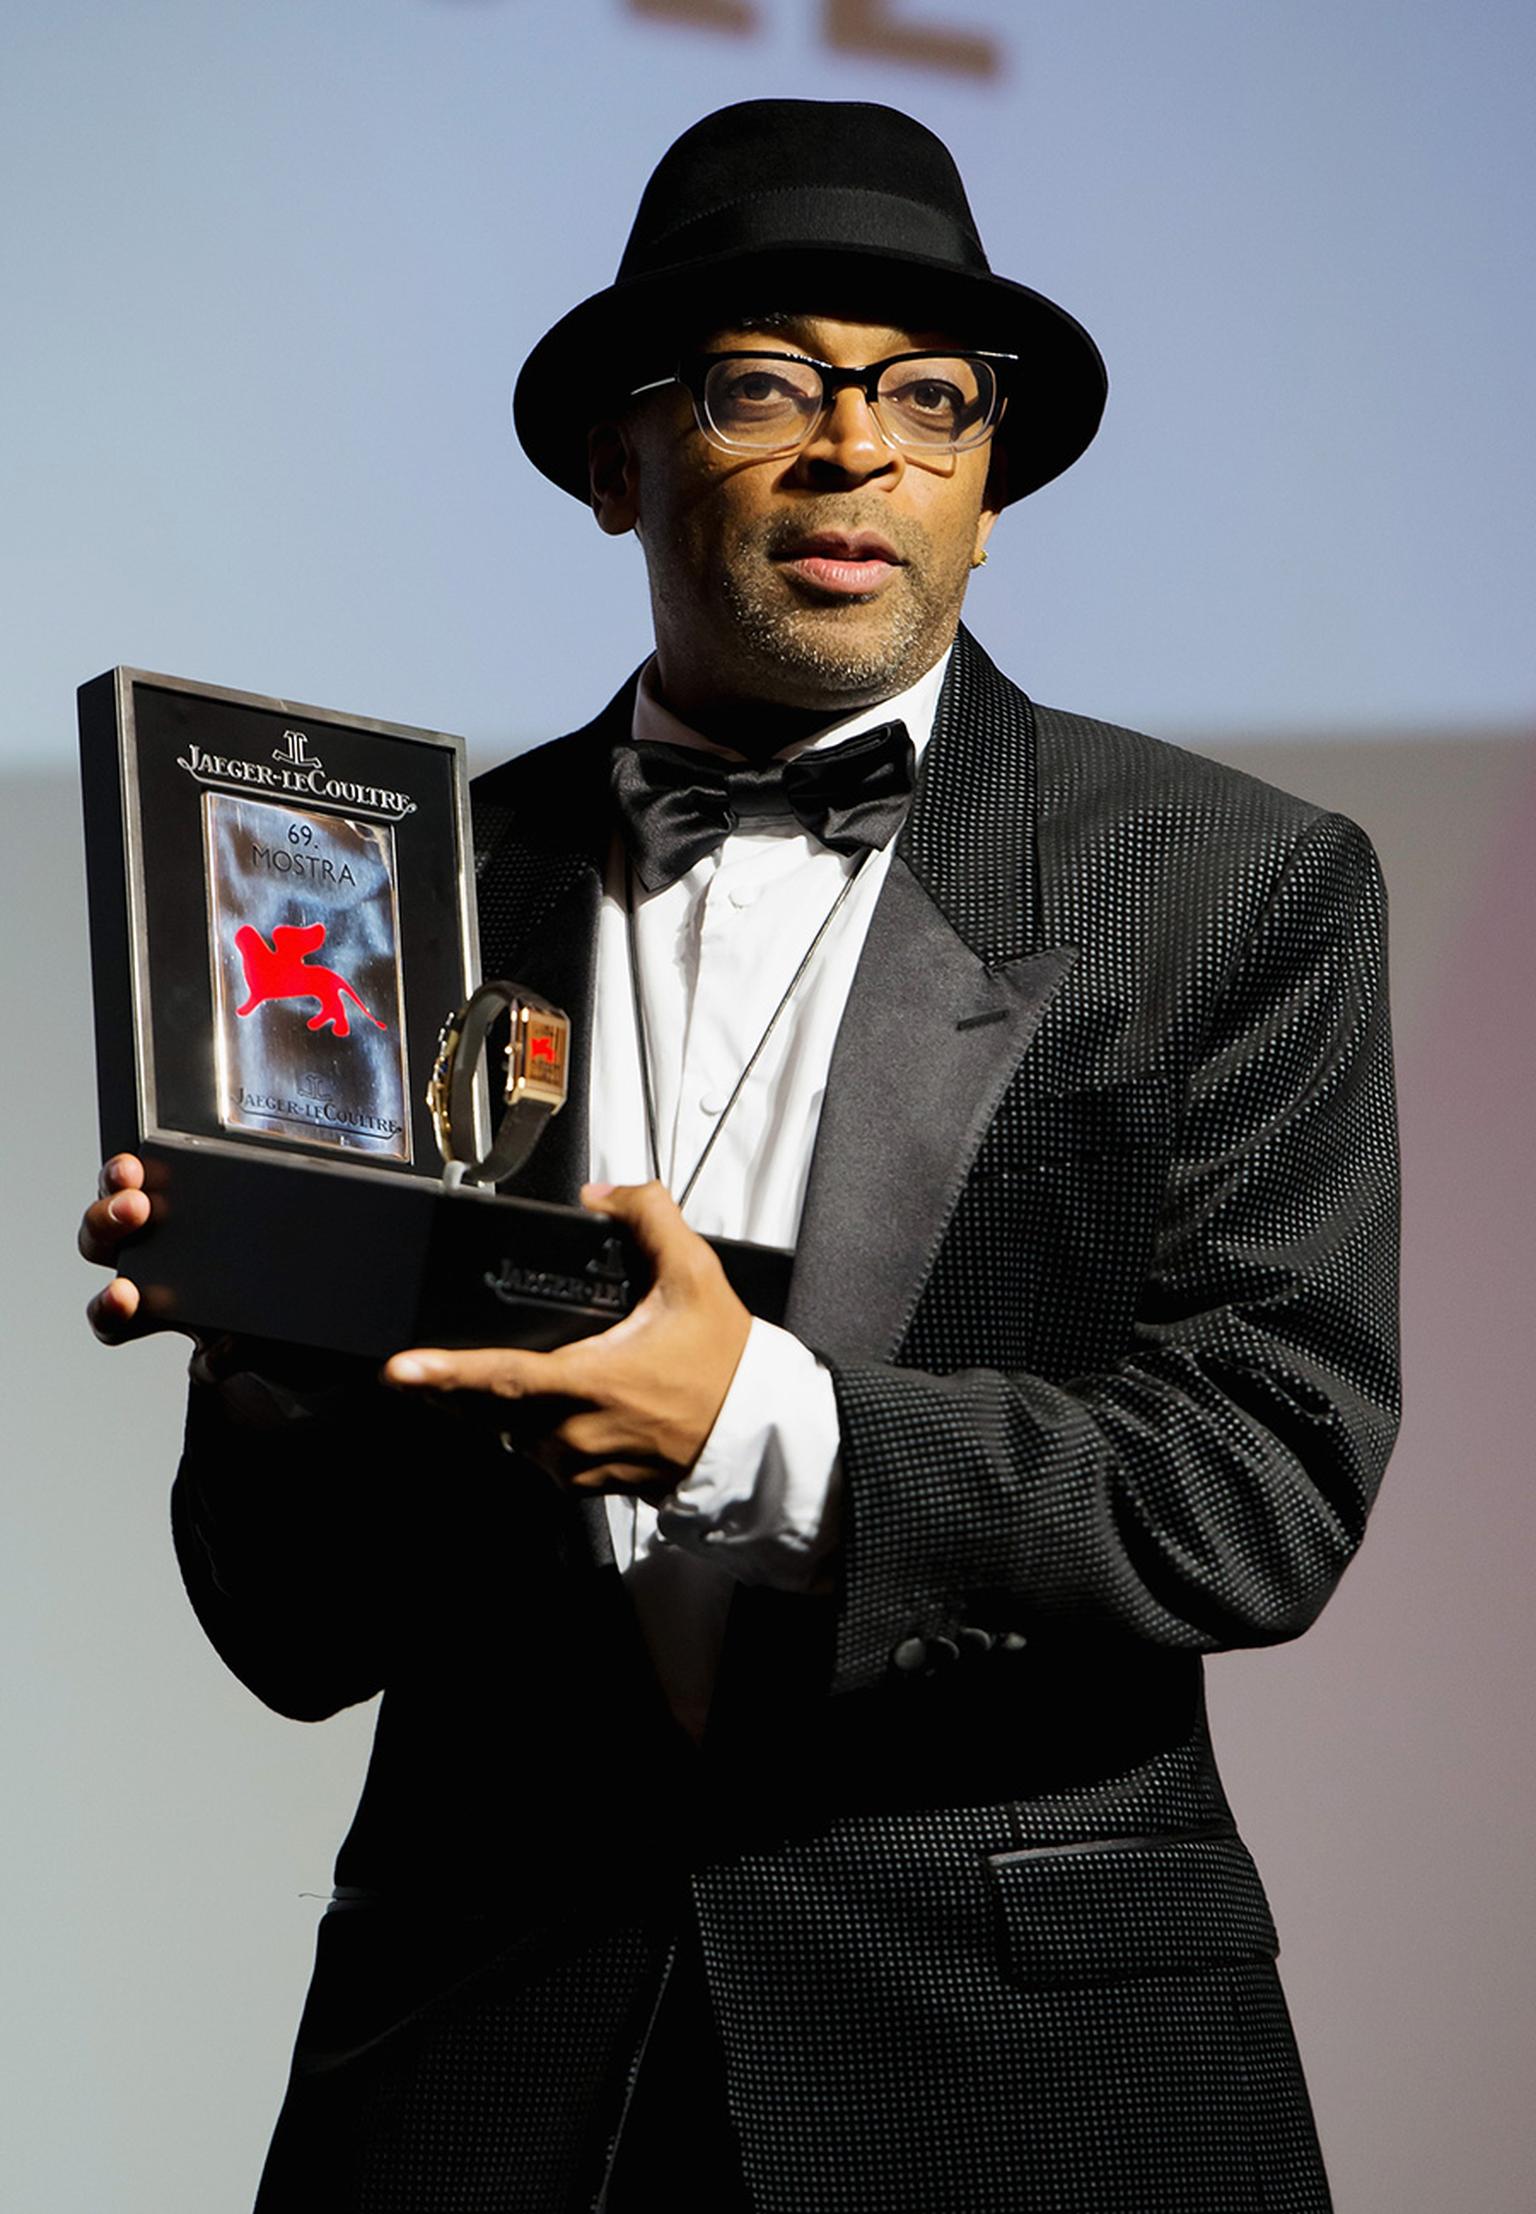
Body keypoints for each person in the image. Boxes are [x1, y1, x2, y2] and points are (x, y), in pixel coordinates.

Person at [79, 99, 1399, 2214]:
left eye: (928, 400)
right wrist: (271, 1341)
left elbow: (1262, 1487)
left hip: (1029, 2068)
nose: (852, 447)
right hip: (481, 2056)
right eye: (764, 382)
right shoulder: (394, 902)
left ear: (988, 492)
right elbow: (298, 1633)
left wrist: (758, 1422)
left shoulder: (1232, 888)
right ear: (618, 462)